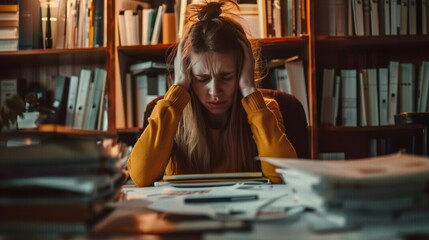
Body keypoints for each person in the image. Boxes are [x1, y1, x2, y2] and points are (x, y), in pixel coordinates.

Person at [128, 0, 297, 187]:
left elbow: (283, 175)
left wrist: (249, 89)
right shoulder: (172, 117)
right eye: (202, 78)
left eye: (226, 77)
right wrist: (178, 88)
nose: (215, 91)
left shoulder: (266, 111)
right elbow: (141, 176)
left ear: (242, 71)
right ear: (188, 75)